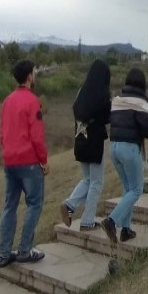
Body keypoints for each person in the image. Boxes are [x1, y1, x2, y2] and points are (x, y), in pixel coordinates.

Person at [0, 60, 49, 267]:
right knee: (34, 204)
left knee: (9, 206)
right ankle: (25, 249)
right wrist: (43, 160)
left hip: (9, 159)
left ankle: (3, 253)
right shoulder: (33, 101)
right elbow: (36, 136)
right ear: (29, 76)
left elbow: (2, 132)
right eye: (34, 72)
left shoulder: (7, 100)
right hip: (28, 160)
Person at [102, 69, 148, 244]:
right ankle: (111, 221)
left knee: (128, 189)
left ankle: (126, 230)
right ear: (142, 84)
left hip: (113, 148)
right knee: (137, 189)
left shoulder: (116, 101)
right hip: (130, 149)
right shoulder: (141, 104)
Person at [60, 60, 111, 232]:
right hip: (94, 143)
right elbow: (107, 118)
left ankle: (69, 205)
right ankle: (87, 221)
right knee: (96, 182)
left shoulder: (81, 92)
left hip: (80, 139)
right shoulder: (101, 95)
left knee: (87, 179)